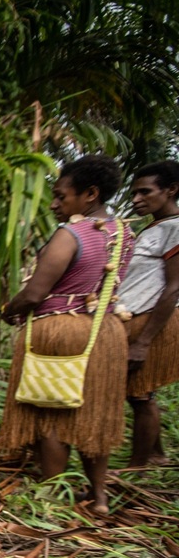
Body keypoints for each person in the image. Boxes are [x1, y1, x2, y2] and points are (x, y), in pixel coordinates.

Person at [0, 155, 135, 515]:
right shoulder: (123, 233)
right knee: (95, 414)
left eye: (62, 196)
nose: (55, 204)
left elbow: (33, 294)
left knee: (52, 416)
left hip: (62, 331)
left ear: (90, 194)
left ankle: (48, 500)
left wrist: (10, 309)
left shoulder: (71, 234)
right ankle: (100, 498)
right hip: (105, 333)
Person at [121, 160, 179, 466]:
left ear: (171, 190)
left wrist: (144, 341)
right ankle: (155, 454)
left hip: (154, 322)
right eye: (134, 193)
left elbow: (173, 287)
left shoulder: (176, 227)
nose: (136, 199)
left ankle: (137, 467)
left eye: (145, 192)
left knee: (141, 394)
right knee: (140, 391)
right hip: (140, 318)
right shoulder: (154, 228)